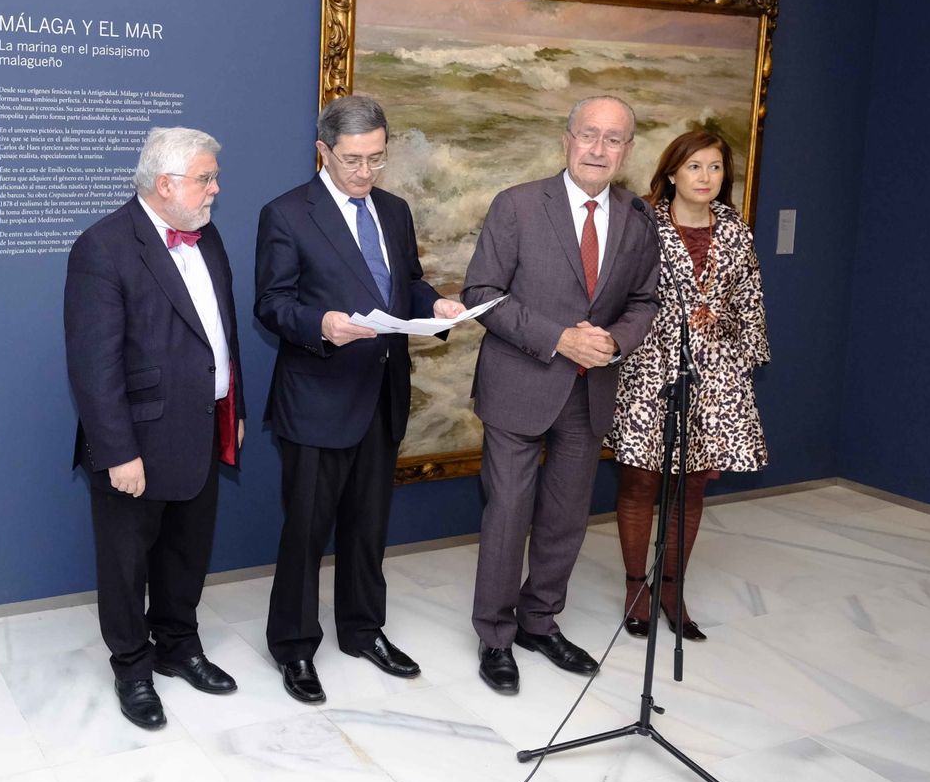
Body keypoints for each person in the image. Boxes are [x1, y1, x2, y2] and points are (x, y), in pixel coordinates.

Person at [255, 94, 465, 704]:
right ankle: (294, 648)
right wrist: (321, 324)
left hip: (382, 394)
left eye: (375, 159)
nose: (364, 173)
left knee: (369, 529)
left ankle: (363, 631)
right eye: (352, 160)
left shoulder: (394, 211)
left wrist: (437, 305)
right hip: (318, 398)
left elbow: (409, 282)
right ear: (323, 150)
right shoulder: (287, 214)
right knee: (305, 533)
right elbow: (271, 302)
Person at [461, 95, 660, 695]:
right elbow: (483, 292)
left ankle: (539, 621)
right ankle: (495, 635)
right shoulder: (517, 205)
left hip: (590, 389)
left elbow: (645, 301)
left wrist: (615, 343)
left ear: (627, 150)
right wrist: (559, 339)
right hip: (521, 382)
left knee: (566, 517)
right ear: (566, 140)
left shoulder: (637, 215)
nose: (599, 149)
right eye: (589, 135)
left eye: (614, 139)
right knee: (508, 513)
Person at [64, 127, 246, 730]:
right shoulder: (103, 246)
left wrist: (233, 407)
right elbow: (94, 364)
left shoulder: (208, 236)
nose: (216, 188)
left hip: (201, 428)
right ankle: (133, 667)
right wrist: (118, 452)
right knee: (126, 564)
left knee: (186, 554)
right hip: (136, 442)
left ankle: (178, 645)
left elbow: (222, 332)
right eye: (206, 178)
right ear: (166, 184)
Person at [609, 130, 769, 641]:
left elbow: (750, 307)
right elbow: (618, 296)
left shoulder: (737, 232)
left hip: (715, 378)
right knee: (640, 483)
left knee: (692, 484)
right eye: (695, 166)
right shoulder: (642, 225)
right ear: (673, 172)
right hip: (650, 370)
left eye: (716, 167)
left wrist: (735, 359)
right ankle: (638, 588)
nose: (706, 177)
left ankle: (672, 590)